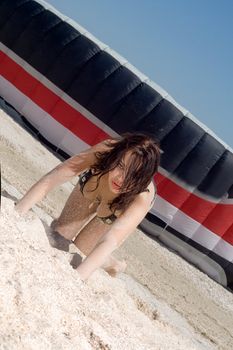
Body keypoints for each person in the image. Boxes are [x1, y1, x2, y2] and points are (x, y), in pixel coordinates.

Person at [15, 133, 160, 281]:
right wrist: (18, 211)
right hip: (94, 184)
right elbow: (55, 176)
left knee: (82, 249)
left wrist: (78, 278)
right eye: (121, 166)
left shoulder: (143, 197)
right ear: (116, 156)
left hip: (120, 204)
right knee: (59, 236)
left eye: (132, 175)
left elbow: (110, 241)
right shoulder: (105, 151)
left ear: (141, 180)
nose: (121, 179)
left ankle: (114, 265)